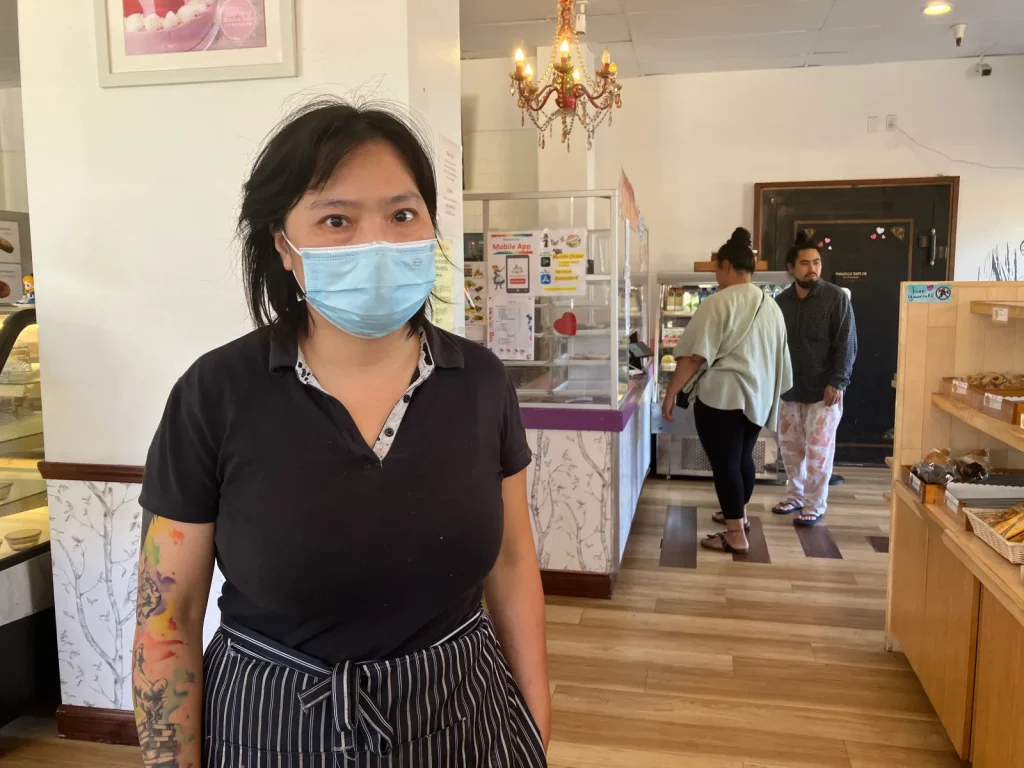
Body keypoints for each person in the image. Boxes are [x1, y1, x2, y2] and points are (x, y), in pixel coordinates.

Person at [132, 99, 550, 768]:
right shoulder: (215, 394)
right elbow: (168, 612)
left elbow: (511, 562)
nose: (377, 243)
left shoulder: (480, 382)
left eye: (402, 214)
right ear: (284, 247)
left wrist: (534, 723)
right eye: (336, 220)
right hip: (269, 724)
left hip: (461, 716)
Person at [662, 228, 792, 554]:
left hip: (722, 398)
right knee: (742, 459)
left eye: (717, 268)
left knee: (725, 465)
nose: (716, 275)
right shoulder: (771, 305)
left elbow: (693, 357)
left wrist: (669, 394)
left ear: (727, 266)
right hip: (757, 397)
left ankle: (735, 534)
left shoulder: (718, 303)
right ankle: (740, 516)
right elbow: (781, 361)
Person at [772, 230, 858, 526]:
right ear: (791, 267)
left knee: (819, 451)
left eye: (817, 262)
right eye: (806, 263)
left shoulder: (835, 298)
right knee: (791, 448)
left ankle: (815, 503)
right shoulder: (780, 302)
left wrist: (839, 382)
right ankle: (795, 496)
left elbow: (847, 343)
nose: (812, 269)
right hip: (789, 389)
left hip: (824, 391)